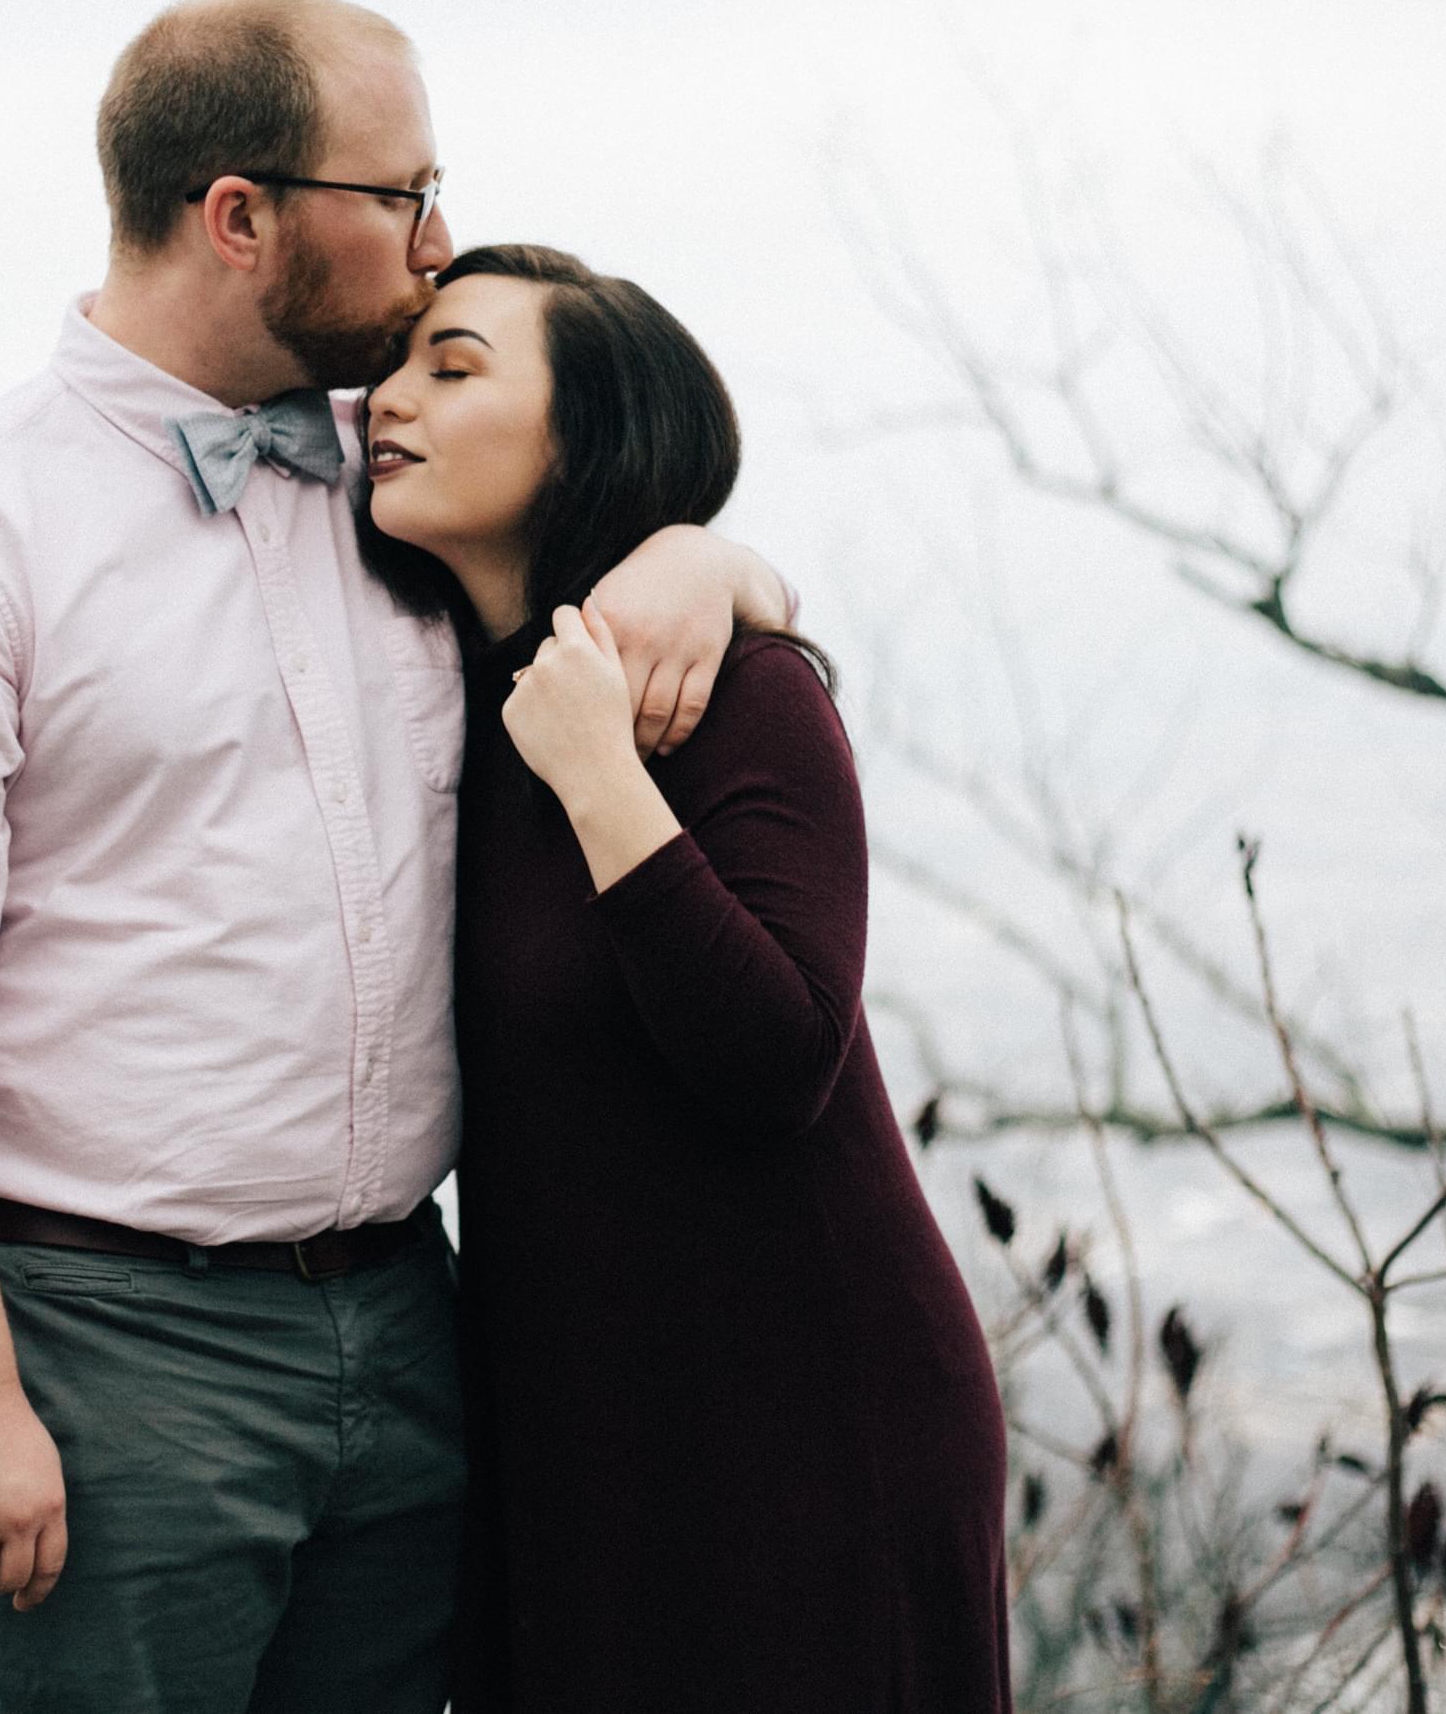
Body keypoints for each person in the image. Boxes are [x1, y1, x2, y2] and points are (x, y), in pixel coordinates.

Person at [0, 0, 794, 1714]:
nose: (438, 243)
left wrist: (710, 558)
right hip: (111, 1351)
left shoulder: (399, 480)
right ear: (239, 216)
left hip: (416, 1320)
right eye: (399, 197)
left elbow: (633, 523)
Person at [358, 244, 1013, 1711]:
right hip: (579, 1430)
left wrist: (599, 772)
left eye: (450, 368)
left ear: (584, 438)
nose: (385, 402)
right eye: (392, 367)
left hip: (807, 1410)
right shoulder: (429, 705)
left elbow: (778, 1055)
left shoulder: (735, 700)